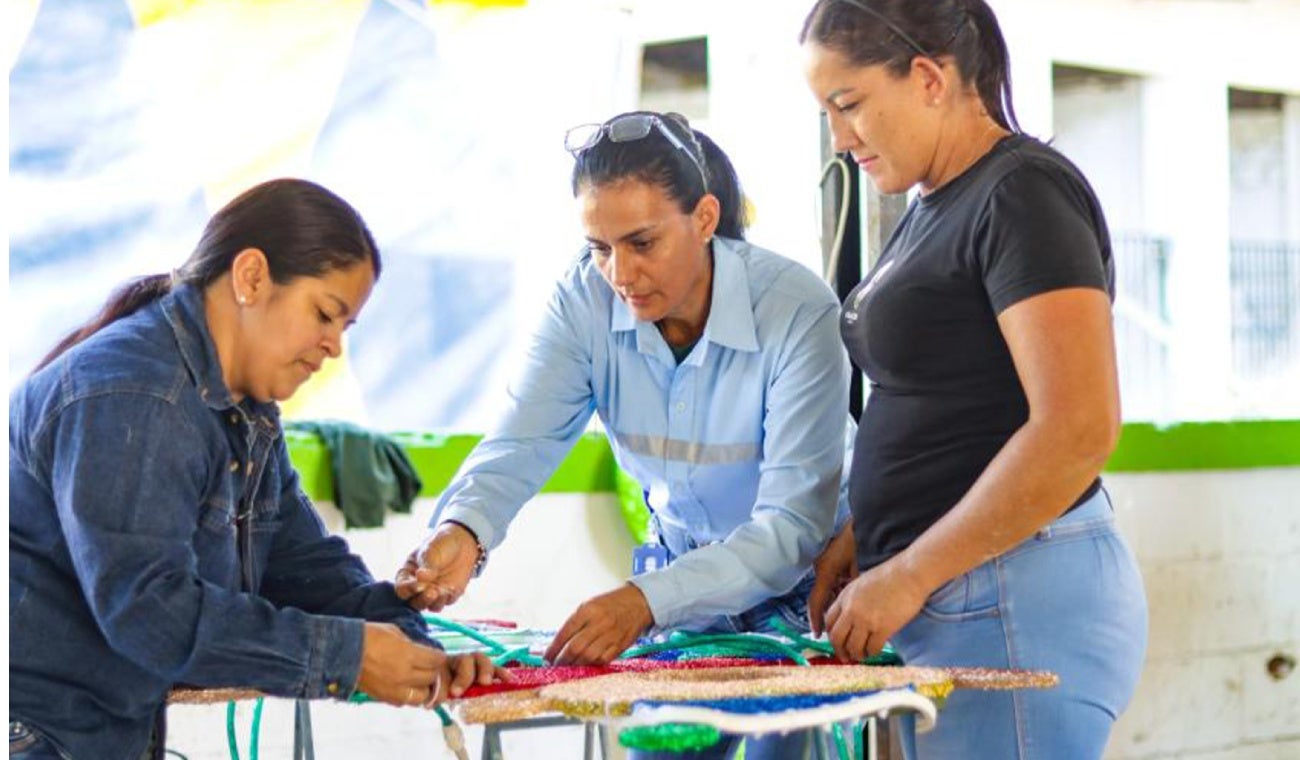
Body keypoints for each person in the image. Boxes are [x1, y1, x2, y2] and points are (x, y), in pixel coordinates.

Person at [396, 111, 851, 759]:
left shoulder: (796, 309)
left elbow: (790, 530)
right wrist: (463, 532)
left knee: (790, 741)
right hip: (682, 593)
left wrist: (644, 601)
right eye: (599, 248)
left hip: (811, 593)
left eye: (642, 242)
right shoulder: (583, 300)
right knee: (661, 746)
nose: (619, 274)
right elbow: (523, 438)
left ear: (705, 219)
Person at [9, 178, 500, 760]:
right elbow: (149, 612)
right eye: (325, 314)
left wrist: (419, 647)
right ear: (250, 278)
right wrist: (350, 657)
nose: (333, 347)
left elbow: (303, 567)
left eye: (345, 328)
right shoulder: (136, 394)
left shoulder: (244, 411)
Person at [797, 1, 1149, 758]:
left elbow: (1078, 429)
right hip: (959, 591)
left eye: (848, 105)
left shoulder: (1020, 193)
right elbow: (958, 404)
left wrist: (910, 571)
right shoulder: (932, 205)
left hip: (1014, 595)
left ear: (927, 78)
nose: (839, 137)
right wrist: (867, 536)